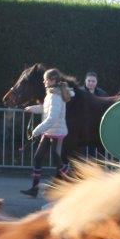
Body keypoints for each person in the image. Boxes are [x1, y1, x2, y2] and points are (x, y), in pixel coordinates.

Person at [21, 68, 74, 197]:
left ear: (53, 80)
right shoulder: (51, 93)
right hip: (49, 131)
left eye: (46, 79)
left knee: (57, 160)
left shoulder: (56, 96)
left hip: (57, 132)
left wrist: (37, 130)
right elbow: (45, 109)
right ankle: (34, 188)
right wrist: (32, 109)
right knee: (38, 158)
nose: (44, 82)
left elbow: (52, 118)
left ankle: (73, 183)